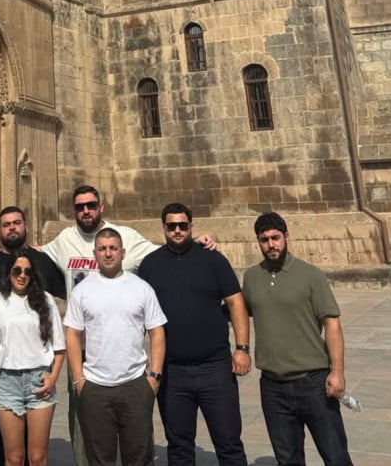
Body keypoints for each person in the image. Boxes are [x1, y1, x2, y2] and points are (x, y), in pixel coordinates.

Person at [40, 184, 215, 465]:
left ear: (101, 207)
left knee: (136, 443)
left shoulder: (127, 237)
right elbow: (35, 254)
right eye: (80, 207)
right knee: (87, 437)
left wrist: (196, 244)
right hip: (86, 362)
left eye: (91, 205)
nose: (86, 211)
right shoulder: (64, 239)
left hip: (128, 365)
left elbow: (165, 252)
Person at [138, 202, 250, 465]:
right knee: (178, 447)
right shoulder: (151, 265)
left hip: (215, 368)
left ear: (191, 226)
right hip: (172, 371)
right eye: (171, 226)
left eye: (183, 226)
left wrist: (242, 348)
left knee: (229, 442)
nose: (177, 231)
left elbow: (235, 302)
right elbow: (139, 313)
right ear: (163, 228)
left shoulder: (212, 259)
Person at [243, 212, 354, 466]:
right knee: (288, 460)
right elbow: (236, 310)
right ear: (258, 242)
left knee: (336, 456)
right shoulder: (251, 278)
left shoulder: (310, 275)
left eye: (275, 238)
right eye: (264, 240)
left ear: (286, 237)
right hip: (273, 388)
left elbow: (332, 324)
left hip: (313, 383)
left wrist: (337, 371)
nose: (271, 244)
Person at [0, 206, 65, 466]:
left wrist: (53, 376)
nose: (12, 228)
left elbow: (71, 287)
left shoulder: (42, 260)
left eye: (17, 223)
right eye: (6, 224)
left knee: (36, 454)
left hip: (36, 375)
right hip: (1, 370)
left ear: (26, 227)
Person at [64, 227, 167, 466]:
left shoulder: (141, 288)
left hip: (135, 386)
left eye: (113, 248)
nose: (108, 253)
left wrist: (154, 378)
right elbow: (72, 334)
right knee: (99, 459)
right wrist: (79, 380)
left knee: (139, 458)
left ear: (123, 252)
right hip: (96, 389)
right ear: (95, 254)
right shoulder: (83, 291)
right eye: (102, 249)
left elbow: (157, 331)